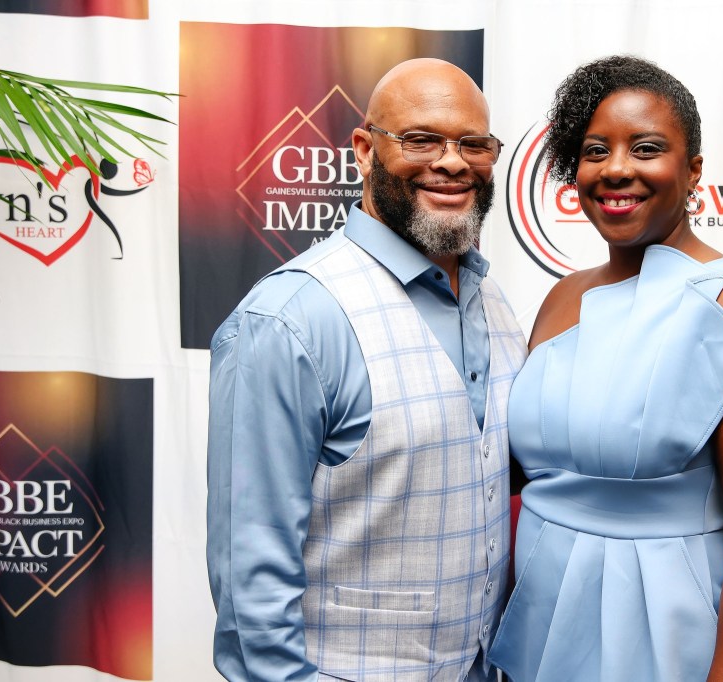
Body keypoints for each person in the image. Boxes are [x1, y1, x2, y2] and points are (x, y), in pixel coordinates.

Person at [487, 55, 723, 681]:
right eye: (595, 151)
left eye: (646, 148)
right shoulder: (562, 297)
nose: (617, 169)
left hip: (665, 631)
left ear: (693, 170)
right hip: (539, 618)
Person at [207, 58, 527, 682]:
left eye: (473, 144)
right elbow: (251, 577)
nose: (453, 162)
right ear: (364, 150)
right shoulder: (290, 319)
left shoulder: (492, 299)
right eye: (421, 139)